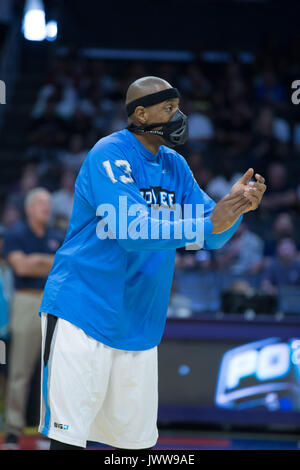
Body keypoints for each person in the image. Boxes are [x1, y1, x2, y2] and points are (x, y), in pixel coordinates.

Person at [37, 76, 266, 451]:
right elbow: (130, 230)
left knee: (134, 446)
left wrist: (236, 208)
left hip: (139, 321)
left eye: (179, 107)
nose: (180, 117)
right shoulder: (109, 154)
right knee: (68, 438)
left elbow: (213, 234)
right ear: (141, 114)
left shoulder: (175, 165)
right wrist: (209, 222)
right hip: (84, 310)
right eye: (169, 109)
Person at [1, 188, 64, 450]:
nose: (46, 207)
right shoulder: (16, 234)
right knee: (20, 369)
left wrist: (37, 260)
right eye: (40, 203)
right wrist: (47, 262)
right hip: (26, 300)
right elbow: (22, 267)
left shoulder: (57, 236)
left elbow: (66, 265)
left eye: (48, 203)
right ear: (28, 208)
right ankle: (14, 429)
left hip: (54, 301)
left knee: (53, 371)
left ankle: (48, 431)